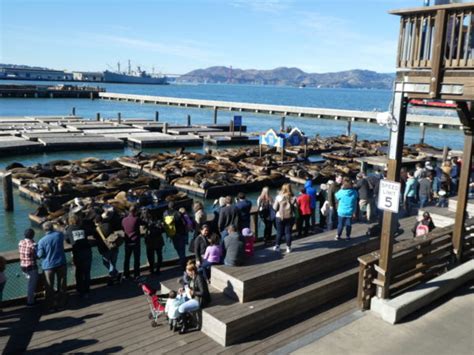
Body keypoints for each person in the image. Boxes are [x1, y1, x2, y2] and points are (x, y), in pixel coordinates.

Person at [37, 222, 67, 311]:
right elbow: (63, 231)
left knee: (49, 287)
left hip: (48, 265)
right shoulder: (59, 235)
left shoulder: (42, 241)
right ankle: (62, 303)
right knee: (62, 284)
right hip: (61, 263)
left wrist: (36, 249)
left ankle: (51, 306)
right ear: (52, 227)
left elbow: (40, 255)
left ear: (44, 230)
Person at [177, 263, 211, 333]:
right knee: (178, 299)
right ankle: (185, 320)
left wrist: (193, 293)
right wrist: (183, 288)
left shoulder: (199, 278)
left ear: (192, 271)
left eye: (188, 271)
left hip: (200, 300)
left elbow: (203, 292)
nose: (187, 273)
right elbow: (189, 285)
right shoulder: (193, 276)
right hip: (193, 296)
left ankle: (185, 326)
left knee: (181, 308)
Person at [65, 214, 92, 298]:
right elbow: (89, 232)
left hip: (78, 252)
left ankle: (80, 290)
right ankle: (87, 289)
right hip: (87, 251)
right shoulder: (83, 227)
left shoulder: (69, 229)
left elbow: (67, 240)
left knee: (79, 272)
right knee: (87, 272)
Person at [94, 210, 121, 285]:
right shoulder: (108, 225)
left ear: (97, 222)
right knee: (113, 263)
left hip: (105, 248)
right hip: (114, 246)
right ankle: (114, 279)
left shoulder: (97, 230)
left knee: (106, 263)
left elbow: (95, 238)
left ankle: (117, 275)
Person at [273, 183, 297, 253]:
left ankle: (277, 246)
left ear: (283, 189)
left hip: (279, 216)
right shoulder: (293, 197)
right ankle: (288, 248)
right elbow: (296, 209)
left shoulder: (278, 197)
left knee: (279, 232)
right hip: (290, 216)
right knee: (288, 233)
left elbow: (274, 208)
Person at [163, 202, 187, 270]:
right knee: (182, 249)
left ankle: (181, 261)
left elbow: (164, 222)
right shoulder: (178, 213)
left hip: (172, 233)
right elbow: (184, 223)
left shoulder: (165, 213)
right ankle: (183, 264)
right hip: (180, 233)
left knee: (177, 248)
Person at [18, 228, 38, 306]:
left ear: (24, 235)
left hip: (23, 266)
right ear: (33, 236)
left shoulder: (20, 242)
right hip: (31, 266)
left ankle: (31, 298)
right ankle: (30, 302)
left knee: (29, 283)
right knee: (31, 285)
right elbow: (37, 255)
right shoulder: (33, 244)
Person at [122, 205, 142, 279]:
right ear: (135, 211)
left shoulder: (123, 220)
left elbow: (123, 228)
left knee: (127, 258)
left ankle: (126, 274)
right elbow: (143, 223)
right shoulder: (136, 219)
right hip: (135, 241)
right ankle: (136, 274)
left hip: (127, 242)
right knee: (136, 259)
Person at [144, 210, 164, 275]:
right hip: (158, 240)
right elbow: (162, 229)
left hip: (150, 241)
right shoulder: (159, 221)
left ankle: (152, 269)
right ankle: (158, 269)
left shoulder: (146, 222)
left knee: (150, 256)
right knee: (159, 255)